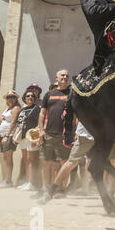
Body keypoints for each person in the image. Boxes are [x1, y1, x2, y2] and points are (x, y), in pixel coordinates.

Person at [33, 70, 71, 199]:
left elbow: (75, 114)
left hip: (64, 134)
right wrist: (41, 130)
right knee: (46, 162)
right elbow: (42, 113)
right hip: (48, 133)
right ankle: (45, 188)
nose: (65, 77)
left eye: (67, 76)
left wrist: (73, 131)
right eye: (62, 75)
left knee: (63, 162)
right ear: (56, 77)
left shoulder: (71, 94)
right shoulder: (49, 94)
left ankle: (62, 189)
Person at [37, 121, 94, 204]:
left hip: (100, 134)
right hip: (85, 135)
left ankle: (109, 193)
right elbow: (77, 117)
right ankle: (51, 192)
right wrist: (76, 133)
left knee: (111, 160)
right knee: (71, 163)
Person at [14, 90, 41, 191]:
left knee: (32, 160)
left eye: (32, 96)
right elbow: (19, 124)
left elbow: (39, 124)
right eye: (28, 96)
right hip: (23, 138)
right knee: (26, 160)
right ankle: (27, 182)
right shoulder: (22, 109)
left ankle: (32, 183)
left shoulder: (37, 109)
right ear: (24, 98)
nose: (30, 97)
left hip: (32, 137)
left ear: (35, 98)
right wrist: (15, 135)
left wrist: (35, 139)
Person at [0, 90, 21, 188]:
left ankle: (8, 181)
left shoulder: (16, 108)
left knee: (8, 158)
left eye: (13, 97)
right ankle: (7, 179)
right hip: (3, 135)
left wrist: (6, 135)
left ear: (16, 99)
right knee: (6, 158)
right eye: (9, 97)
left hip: (9, 136)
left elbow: (13, 122)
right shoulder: (7, 109)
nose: (10, 99)